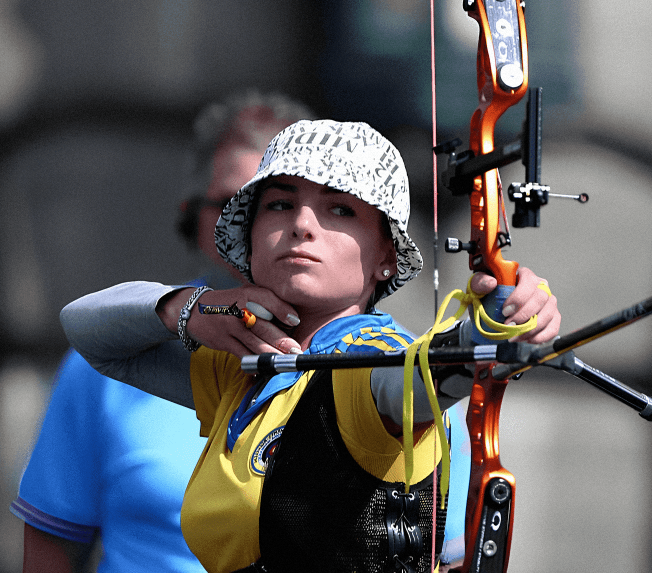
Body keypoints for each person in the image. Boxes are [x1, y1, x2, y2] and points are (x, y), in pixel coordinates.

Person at [60, 119, 560, 573]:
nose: (301, 224)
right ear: (251, 238)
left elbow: (421, 376)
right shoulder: (243, 366)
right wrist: (187, 309)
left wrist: (498, 323)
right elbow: (87, 331)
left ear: (386, 254)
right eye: (279, 204)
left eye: (340, 209)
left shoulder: (369, 362)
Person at [11, 90, 316, 573]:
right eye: (233, 205)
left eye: (278, 204)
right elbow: (51, 545)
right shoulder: (124, 343)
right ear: (192, 217)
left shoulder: (380, 359)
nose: (254, 230)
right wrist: (182, 310)